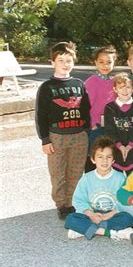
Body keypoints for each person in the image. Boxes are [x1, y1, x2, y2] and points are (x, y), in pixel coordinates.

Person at [35, 42, 90, 220]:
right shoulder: (47, 87)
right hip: (57, 136)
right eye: (60, 60)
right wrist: (45, 139)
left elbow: (86, 110)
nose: (65, 64)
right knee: (58, 173)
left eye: (68, 60)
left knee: (75, 172)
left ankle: (72, 202)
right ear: (52, 62)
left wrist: (86, 132)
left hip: (79, 136)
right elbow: (41, 115)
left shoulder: (79, 84)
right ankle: (61, 204)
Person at [65, 136, 133, 240]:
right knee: (70, 219)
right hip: (91, 214)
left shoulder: (120, 178)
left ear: (113, 160)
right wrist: (91, 214)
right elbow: (78, 201)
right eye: (100, 157)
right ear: (93, 159)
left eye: (108, 157)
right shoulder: (86, 179)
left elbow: (125, 200)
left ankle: (86, 230)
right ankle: (109, 232)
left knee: (128, 219)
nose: (104, 161)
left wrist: (109, 215)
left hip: (112, 214)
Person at [84, 45, 117, 172]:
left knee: (109, 159)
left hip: (110, 128)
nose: (105, 65)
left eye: (109, 62)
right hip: (95, 129)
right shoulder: (91, 82)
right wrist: (91, 125)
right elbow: (85, 107)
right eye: (101, 62)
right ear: (95, 63)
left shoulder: (114, 81)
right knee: (93, 160)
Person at [104, 73, 133, 175]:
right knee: (116, 177)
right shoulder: (110, 107)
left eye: (128, 87)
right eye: (121, 87)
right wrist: (120, 146)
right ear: (115, 89)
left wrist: (129, 146)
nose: (125, 91)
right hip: (116, 147)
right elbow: (110, 129)